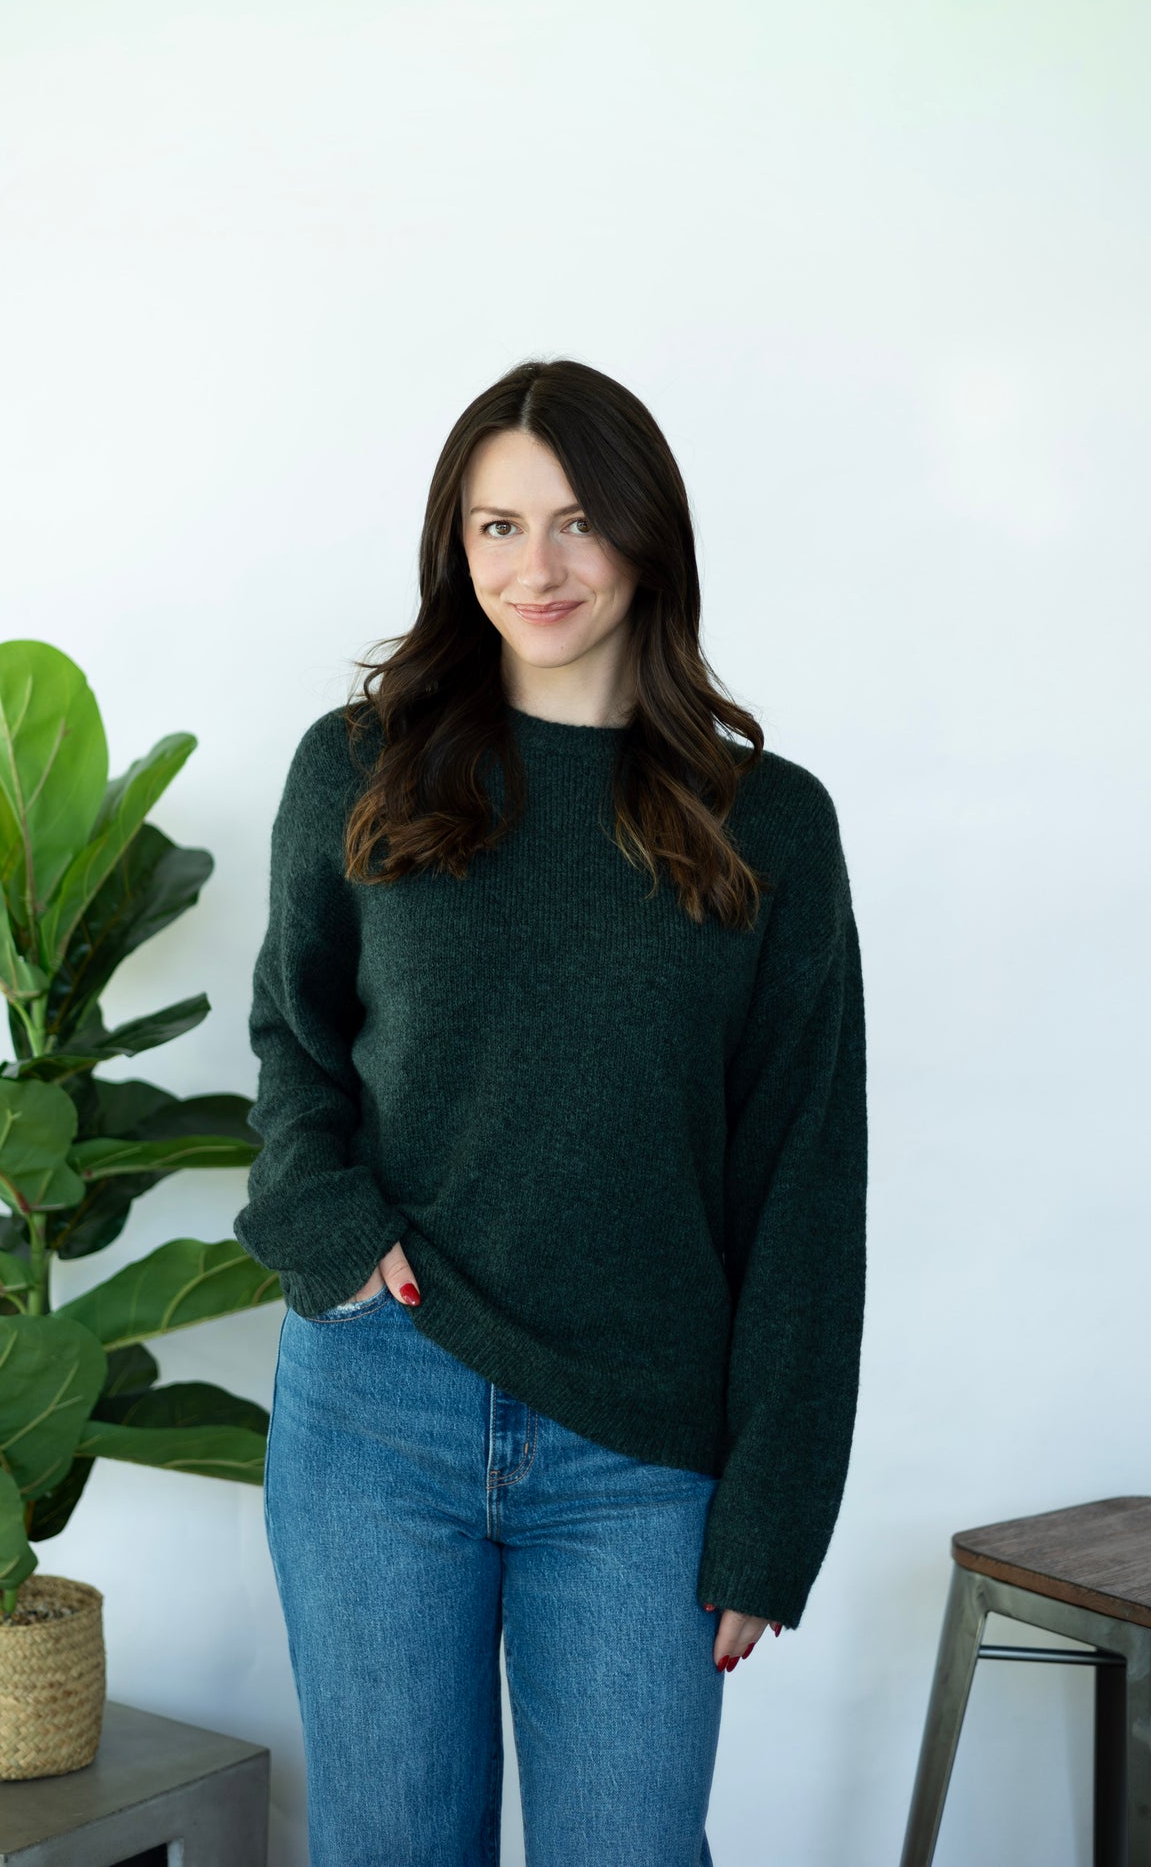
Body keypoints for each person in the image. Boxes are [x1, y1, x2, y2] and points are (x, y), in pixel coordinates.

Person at [233, 356, 868, 1867]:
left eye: (577, 520)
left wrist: (776, 1507)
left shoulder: (767, 821)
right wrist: (330, 1232)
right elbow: (294, 1042)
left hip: (642, 1449)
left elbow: (805, 1179)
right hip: (380, 1404)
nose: (539, 565)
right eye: (496, 526)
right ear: (456, 550)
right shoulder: (361, 769)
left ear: (647, 535)